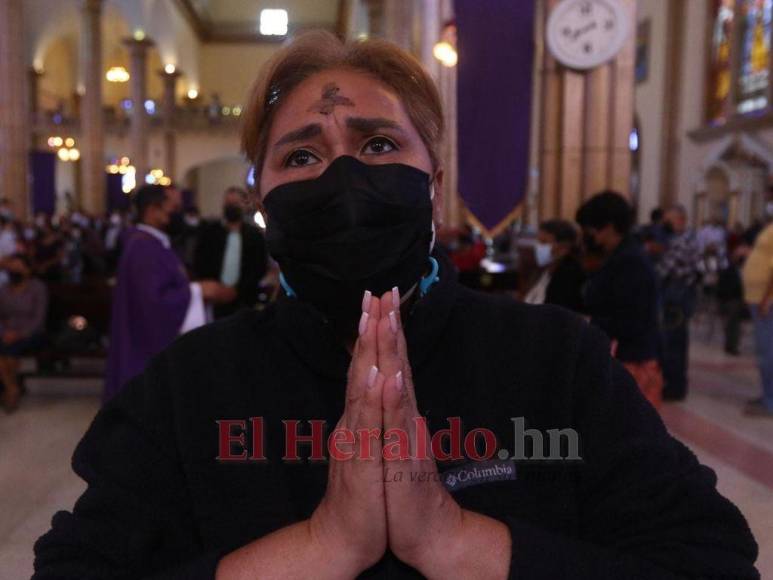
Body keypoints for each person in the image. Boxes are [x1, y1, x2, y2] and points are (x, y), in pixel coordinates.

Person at [34, 32, 759, 579]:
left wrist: (452, 538)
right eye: (302, 156)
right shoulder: (189, 386)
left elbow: (710, 561)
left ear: (433, 184)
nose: (344, 176)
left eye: (378, 144)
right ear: (261, 200)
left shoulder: (554, 360)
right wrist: (320, 548)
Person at [103, 185, 235, 402]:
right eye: (173, 208)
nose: (178, 214)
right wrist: (200, 291)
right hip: (142, 357)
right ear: (153, 210)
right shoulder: (143, 249)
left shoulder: (152, 244)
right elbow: (154, 304)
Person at [576, 191, 664, 409]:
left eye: (591, 229)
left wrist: (588, 322)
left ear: (609, 227)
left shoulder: (630, 263)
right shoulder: (621, 256)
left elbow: (630, 319)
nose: (589, 236)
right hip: (624, 358)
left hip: (631, 362)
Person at [193, 187, 268, 318]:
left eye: (235, 204)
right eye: (228, 203)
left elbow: (259, 266)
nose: (231, 207)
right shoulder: (210, 233)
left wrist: (236, 291)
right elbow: (200, 261)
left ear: (244, 206)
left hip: (245, 300)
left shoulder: (254, 235)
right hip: (213, 298)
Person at [657, 205, 701, 401]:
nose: (664, 224)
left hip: (677, 296)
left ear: (680, 220)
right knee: (674, 340)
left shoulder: (682, 242)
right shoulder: (682, 238)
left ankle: (674, 387)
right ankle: (673, 383)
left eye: (669, 220)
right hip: (677, 294)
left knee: (673, 341)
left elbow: (662, 271)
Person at [0, 254, 48, 413]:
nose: (14, 271)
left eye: (18, 267)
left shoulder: (38, 288)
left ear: (27, 270)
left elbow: (38, 319)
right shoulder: (4, 289)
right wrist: (4, 332)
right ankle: (12, 388)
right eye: (12, 267)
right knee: (3, 351)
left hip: (30, 333)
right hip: (6, 333)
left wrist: (19, 334)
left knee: (10, 351)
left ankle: (10, 391)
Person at [741, 219, 773, 418]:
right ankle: (767, 395)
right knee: (764, 349)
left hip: (766, 301)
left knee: (767, 350)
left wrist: (766, 299)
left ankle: (770, 401)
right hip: (758, 297)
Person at [523, 219, 585, 313]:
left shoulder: (568, 276)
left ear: (564, 247)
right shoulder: (544, 272)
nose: (538, 247)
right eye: (538, 241)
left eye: (544, 242)